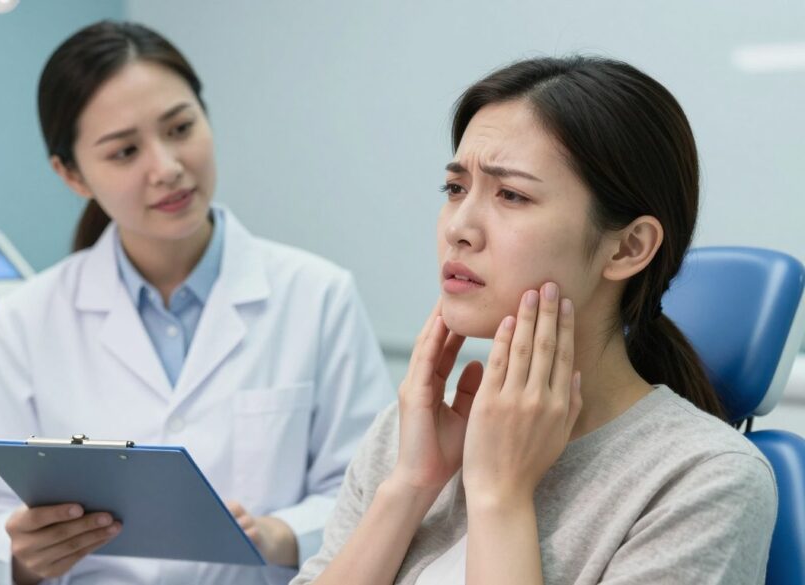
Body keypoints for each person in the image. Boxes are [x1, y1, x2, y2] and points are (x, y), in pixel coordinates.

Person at [292, 56, 777, 585]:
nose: (459, 228)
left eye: (512, 195)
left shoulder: (704, 478)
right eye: (455, 189)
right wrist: (410, 485)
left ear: (628, 247)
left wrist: (501, 497)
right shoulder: (412, 432)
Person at [0, 21, 393, 585]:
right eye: (125, 151)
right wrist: (25, 555)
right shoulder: (28, 319)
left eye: (180, 127)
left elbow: (376, 491)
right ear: (71, 174)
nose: (167, 166)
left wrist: (279, 535)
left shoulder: (318, 295)